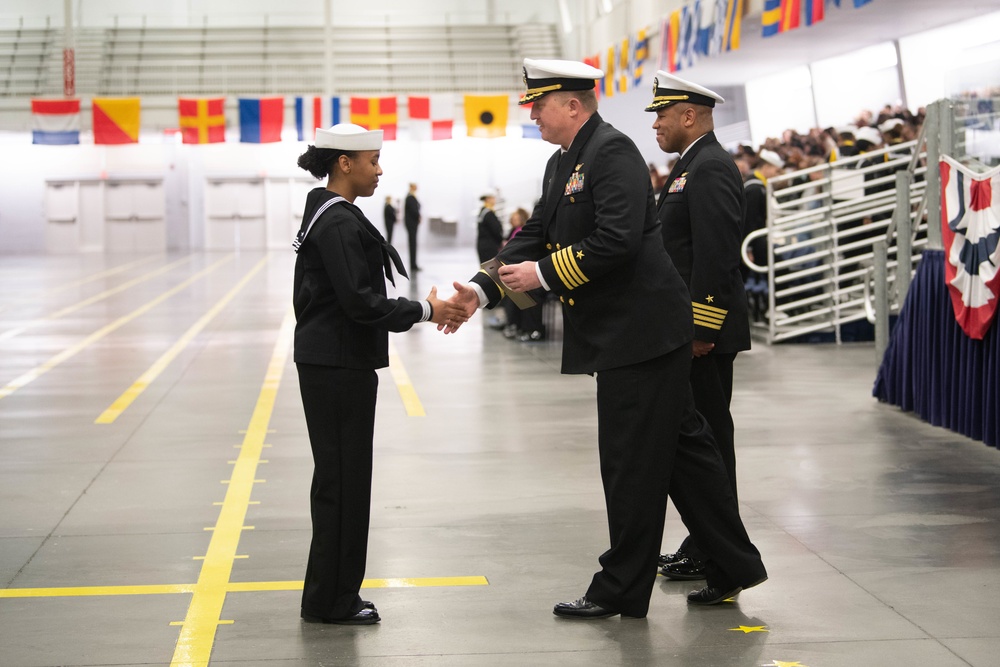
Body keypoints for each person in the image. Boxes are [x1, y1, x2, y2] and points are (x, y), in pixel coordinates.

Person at [448, 58, 766, 619]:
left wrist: (543, 277)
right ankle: (734, 563)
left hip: (643, 334)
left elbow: (617, 239)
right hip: (627, 335)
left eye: (539, 105)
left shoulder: (611, 152)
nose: (533, 115)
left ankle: (619, 588)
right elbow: (534, 234)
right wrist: (481, 289)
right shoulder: (562, 163)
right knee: (682, 456)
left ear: (573, 105)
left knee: (630, 465)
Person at [292, 123, 467, 626]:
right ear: (344, 163)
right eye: (372, 160)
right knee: (344, 483)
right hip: (338, 365)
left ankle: (328, 595)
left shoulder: (326, 211)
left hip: (330, 362)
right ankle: (334, 601)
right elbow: (361, 304)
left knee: (337, 481)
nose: (379, 169)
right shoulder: (339, 222)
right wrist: (428, 311)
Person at [646, 71, 752, 584]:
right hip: (689, 332)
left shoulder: (708, 167)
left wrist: (702, 329)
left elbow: (716, 255)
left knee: (708, 445)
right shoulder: (690, 165)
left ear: (690, 115)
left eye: (662, 115)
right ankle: (705, 542)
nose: (656, 125)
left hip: (703, 338)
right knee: (701, 442)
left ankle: (720, 552)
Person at [742, 149, 784, 321]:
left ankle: (773, 308)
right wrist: (749, 248)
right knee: (778, 268)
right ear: (766, 167)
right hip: (753, 242)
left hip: (755, 240)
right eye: (775, 170)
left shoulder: (757, 186)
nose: (777, 174)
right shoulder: (755, 189)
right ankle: (775, 308)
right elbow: (749, 221)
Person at [500, 207, 546, 341]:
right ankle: (515, 324)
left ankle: (532, 328)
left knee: (526, 290)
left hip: (538, 271)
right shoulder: (514, 231)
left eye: (516, 218)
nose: (514, 221)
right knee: (511, 288)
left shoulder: (523, 231)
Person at [404, 182, 422, 272]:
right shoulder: (410, 197)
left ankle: (413, 264)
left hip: (412, 223)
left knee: (413, 243)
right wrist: (418, 216)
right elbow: (414, 210)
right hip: (411, 223)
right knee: (412, 243)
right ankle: (413, 265)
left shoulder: (411, 196)